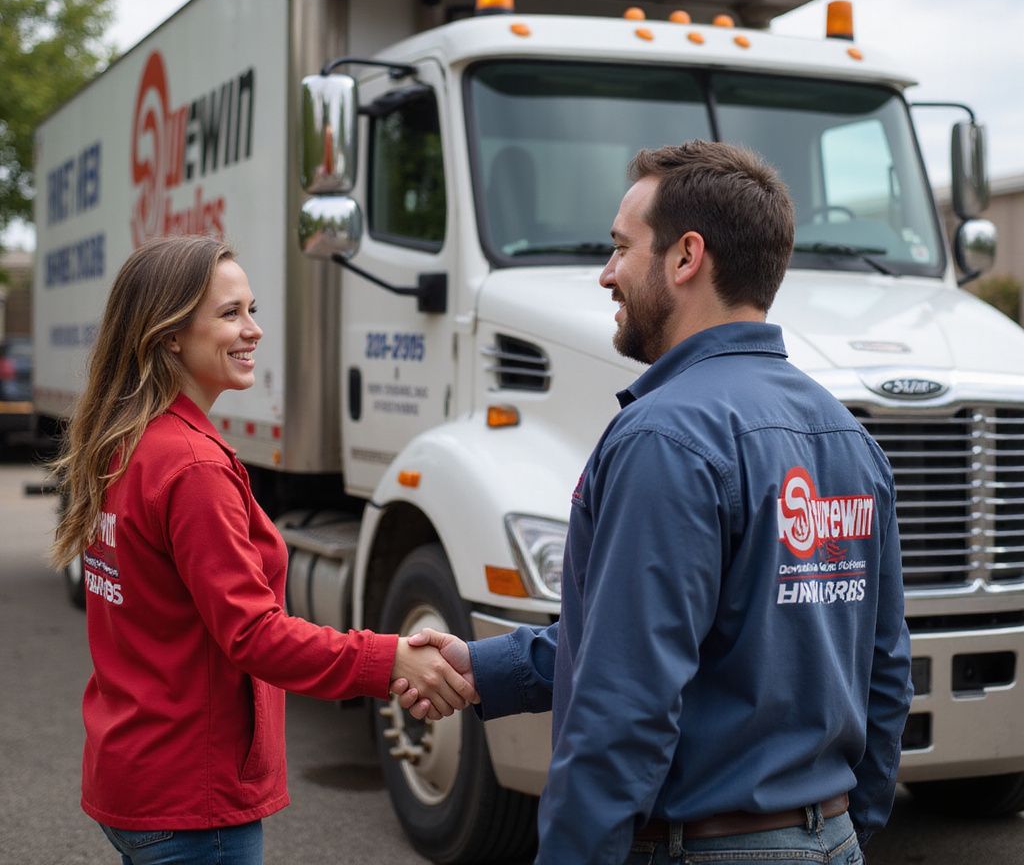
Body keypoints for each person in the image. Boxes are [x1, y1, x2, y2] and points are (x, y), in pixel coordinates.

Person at [401, 141, 913, 864]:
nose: (607, 274)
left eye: (620, 248)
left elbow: (623, 703)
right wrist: (843, 827)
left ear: (685, 258)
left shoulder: (664, 438)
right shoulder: (849, 438)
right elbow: (885, 668)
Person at [51, 235, 475, 865]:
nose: (253, 331)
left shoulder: (129, 442)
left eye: (252, 310)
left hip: (136, 778)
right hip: (192, 804)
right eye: (229, 314)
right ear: (169, 335)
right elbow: (254, 635)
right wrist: (389, 661)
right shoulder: (191, 465)